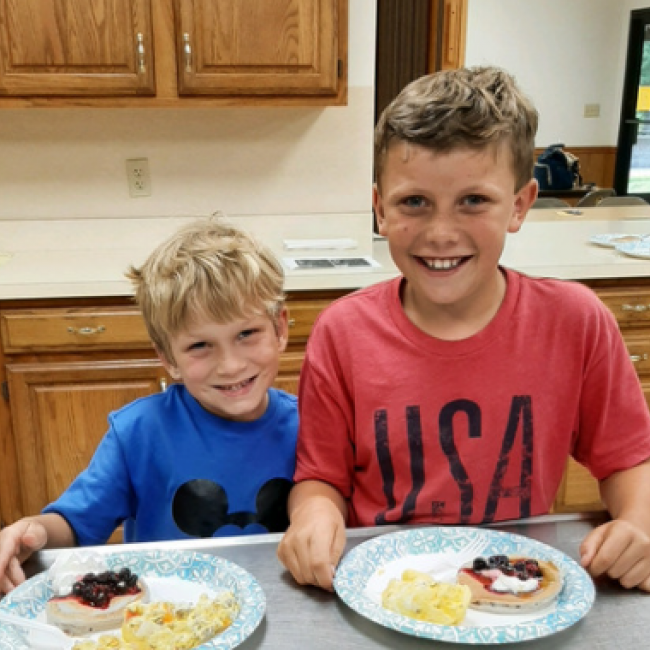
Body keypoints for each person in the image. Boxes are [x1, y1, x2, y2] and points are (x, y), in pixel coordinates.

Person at [277, 66, 650, 592]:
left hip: (515, 592)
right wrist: (314, 515)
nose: (441, 232)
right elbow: (322, 478)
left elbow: (629, 461)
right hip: (381, 588)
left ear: (520, 205)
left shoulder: (576, 322)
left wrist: (639, 524)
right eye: (414, 202)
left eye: (474, 201)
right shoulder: (341, 333)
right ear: (380, 208)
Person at [0, 217, 298, 594]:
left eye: (246, 334)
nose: (231, 365)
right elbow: (75, 525)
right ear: (168, 358)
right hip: (164, 619)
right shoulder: (138, 433)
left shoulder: (312, 426)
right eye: (200, 345)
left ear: (281, 329)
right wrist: (32, 532)